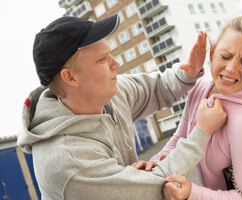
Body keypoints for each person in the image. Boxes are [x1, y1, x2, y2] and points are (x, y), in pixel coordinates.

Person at [17, 14, 227, 200]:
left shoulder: (108, 93)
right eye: (102, 59)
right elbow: (158, 188)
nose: (115, 63)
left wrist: (187, 72)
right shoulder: (68, 161)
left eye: (110, 53)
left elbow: (157, 87)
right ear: (70, 77)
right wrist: (202, 131)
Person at [142, 11, 242, 200]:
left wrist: (192, 194)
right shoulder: (203, 85)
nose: (231, 69)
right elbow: (181, 137)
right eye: (226, 56)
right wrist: (153, 165)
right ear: (212, 52)